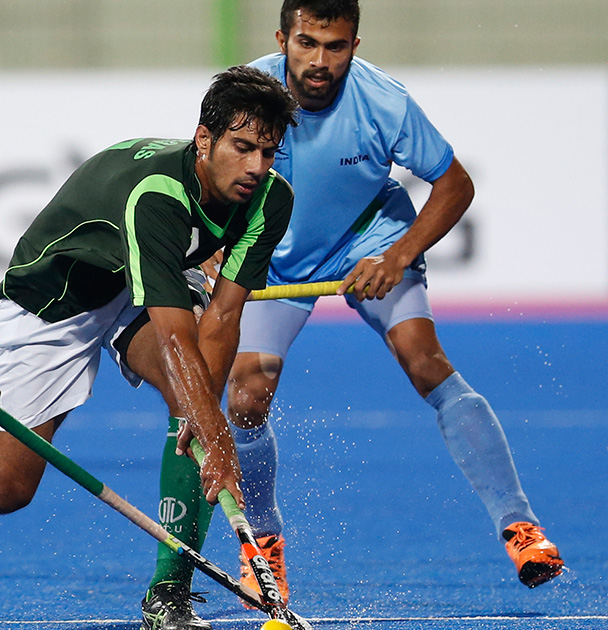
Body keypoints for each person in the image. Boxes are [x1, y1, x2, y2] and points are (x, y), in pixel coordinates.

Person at [0, 66, 298, 630]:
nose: (257, 167)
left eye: (268, 152)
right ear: (205, 139)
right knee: (6, 490)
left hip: (143, 286)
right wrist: (213, 433)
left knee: (195, 395)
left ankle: (169, 593)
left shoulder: (270, 199)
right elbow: (173, 336)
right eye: (243, 148)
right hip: (56, 303)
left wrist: (205, 415)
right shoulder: (158, 198)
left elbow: (225, 314)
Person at [205, 0, 564, 607]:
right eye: (307, 43)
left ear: (355, 44)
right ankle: (262, 547)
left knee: (425, 360)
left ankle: (520, 526)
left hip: (369, 238)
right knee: (246, 392)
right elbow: (203, 174)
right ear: (281, 39)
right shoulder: (248, 96)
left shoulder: (385, 103)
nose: (320, 61)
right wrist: (211, 248)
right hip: (270, 250)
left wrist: (396, 257)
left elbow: (455, 183)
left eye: (336, 46)